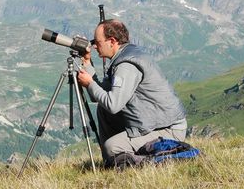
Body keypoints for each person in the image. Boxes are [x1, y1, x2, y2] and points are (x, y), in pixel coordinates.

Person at [77, 19, 187, 166]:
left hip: (168, 130)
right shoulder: (126, 54)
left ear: (112, 41)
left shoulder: (126, 65)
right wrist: (87, 63)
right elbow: (99, 95)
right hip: (152, 123)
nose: (95, 46)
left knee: (112, 147)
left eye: (97, 41)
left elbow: (113, 104)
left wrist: (89, 83)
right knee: (103, 111)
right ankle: (113, 161)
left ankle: (152, 162)